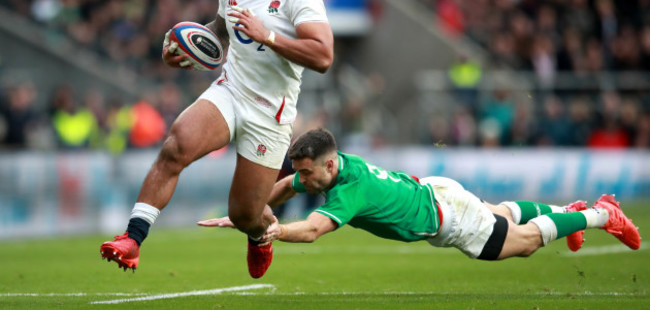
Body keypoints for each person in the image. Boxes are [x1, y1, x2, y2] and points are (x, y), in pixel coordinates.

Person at [100, 0, 334, 278]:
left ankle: (259, 237)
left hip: (270, 114)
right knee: (176, 145)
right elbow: (221, 30)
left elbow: (323, 56)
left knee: (244, 214)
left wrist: (267, 36)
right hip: (231, 91)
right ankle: (132, 238)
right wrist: (185, 47)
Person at [199, 128, 641, 277]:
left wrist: (272, 230)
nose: (303, 178)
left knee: (522, 242)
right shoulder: (334, 166)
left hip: (445, 214)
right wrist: (249, 212)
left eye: (309, 171)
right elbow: (287, 186)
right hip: (434, 191)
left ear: (328, 166)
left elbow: (313, 230)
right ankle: (570, 213)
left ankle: (602, 214)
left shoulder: (347, 190)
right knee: (504, 214)